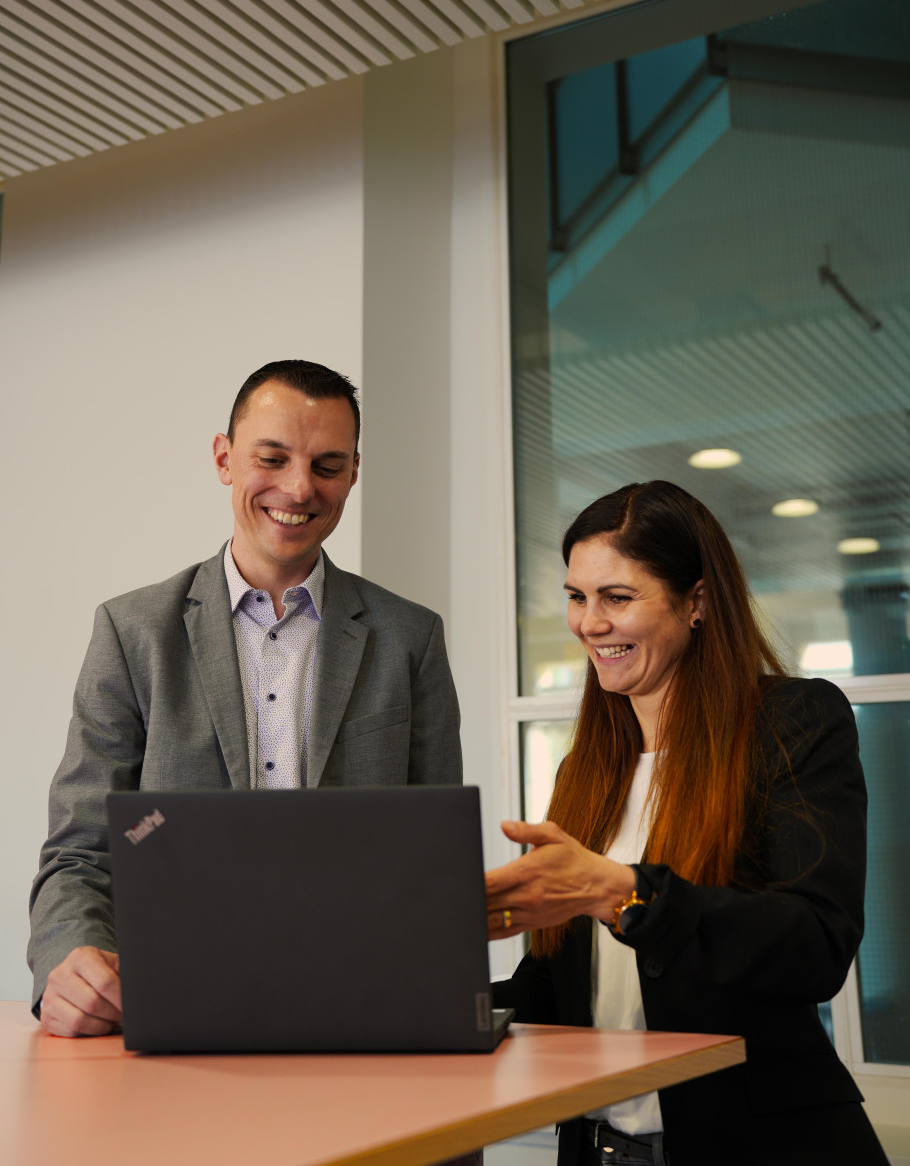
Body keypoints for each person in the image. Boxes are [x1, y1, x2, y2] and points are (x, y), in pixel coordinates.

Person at [30, 359, 462, 1037]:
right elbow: (80, 853)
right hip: (176, 1015)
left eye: (326, 464)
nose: (298, 487)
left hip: (363, 1015)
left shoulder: (412, 637)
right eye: (272, 458)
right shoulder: (132, 632)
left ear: (353, 472)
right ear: (224, 458)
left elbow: (437, 862)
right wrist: (66, 960)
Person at [485, 481, 887, 1166]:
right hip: (604, 1149)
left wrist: (623, 893)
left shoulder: (792, 722)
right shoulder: (586, 766)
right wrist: (420, 994)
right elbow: (558, 989)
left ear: (696, 602)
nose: (589, 623)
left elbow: (815, 943)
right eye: (577, 597)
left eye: (617, 597)